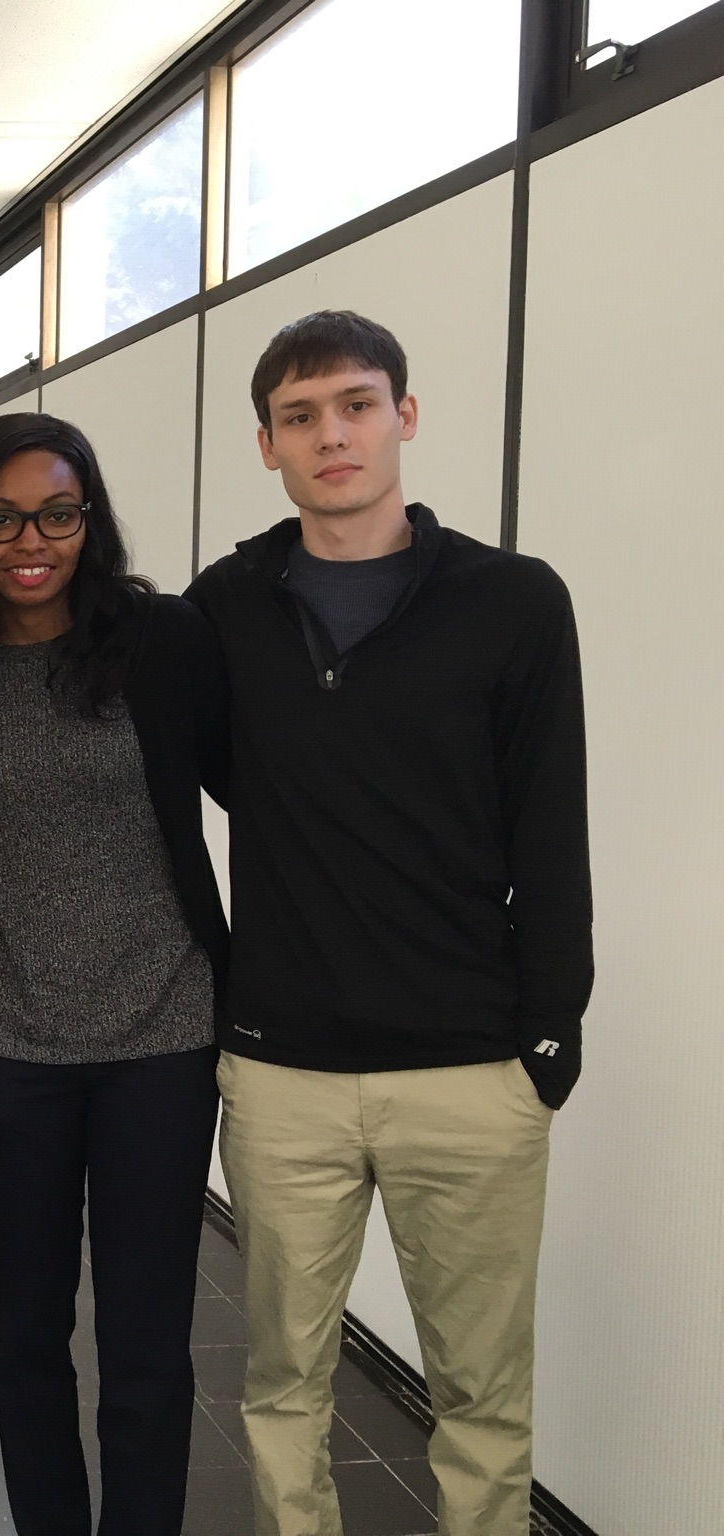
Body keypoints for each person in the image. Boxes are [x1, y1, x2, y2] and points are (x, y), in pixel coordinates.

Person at [185, 310, 590, 1536]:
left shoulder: (510, 601)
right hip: (281, 1073)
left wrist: (547, 1033)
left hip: (470, 1069)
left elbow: (549, 824)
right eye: (299, 416)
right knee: (280, 1387)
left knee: (479, 1393)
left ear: (402, 416)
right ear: (265, 445)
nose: (331, 434)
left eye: (356, 404)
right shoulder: (224, 607)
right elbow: (208, 772)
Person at [0, 414, 229, 1536]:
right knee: (26, 1337)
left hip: (161, 1032)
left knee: (145, 1343)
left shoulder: (163, 639)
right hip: (6, 1037)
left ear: (87, 519)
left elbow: (261, 785)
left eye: (54, 513)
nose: (27, 540)